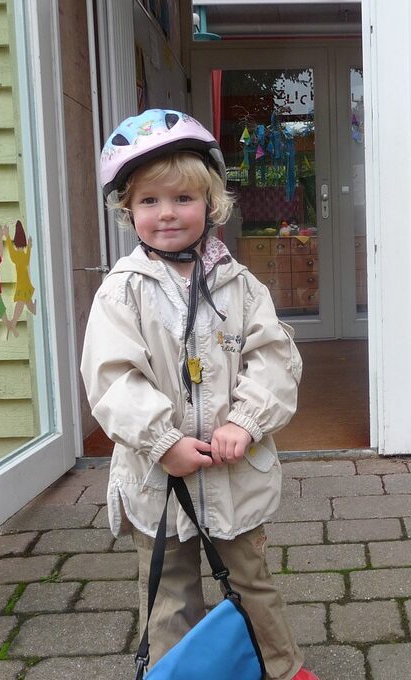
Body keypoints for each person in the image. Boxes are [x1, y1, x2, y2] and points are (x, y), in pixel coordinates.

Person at [80, 109, 316, 680]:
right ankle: (175, 671)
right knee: (166, 591)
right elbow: (113, 377)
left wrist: (246, 421)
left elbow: (274, 357)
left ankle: (282, 669)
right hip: (159, 480)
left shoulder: (240, 284)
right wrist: (162, 441)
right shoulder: (122, 292)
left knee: (251, 583)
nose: (167, 214)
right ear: (128, 210)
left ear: (211, 204)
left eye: (183, 198)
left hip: (234, 473)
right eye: (149, 202)